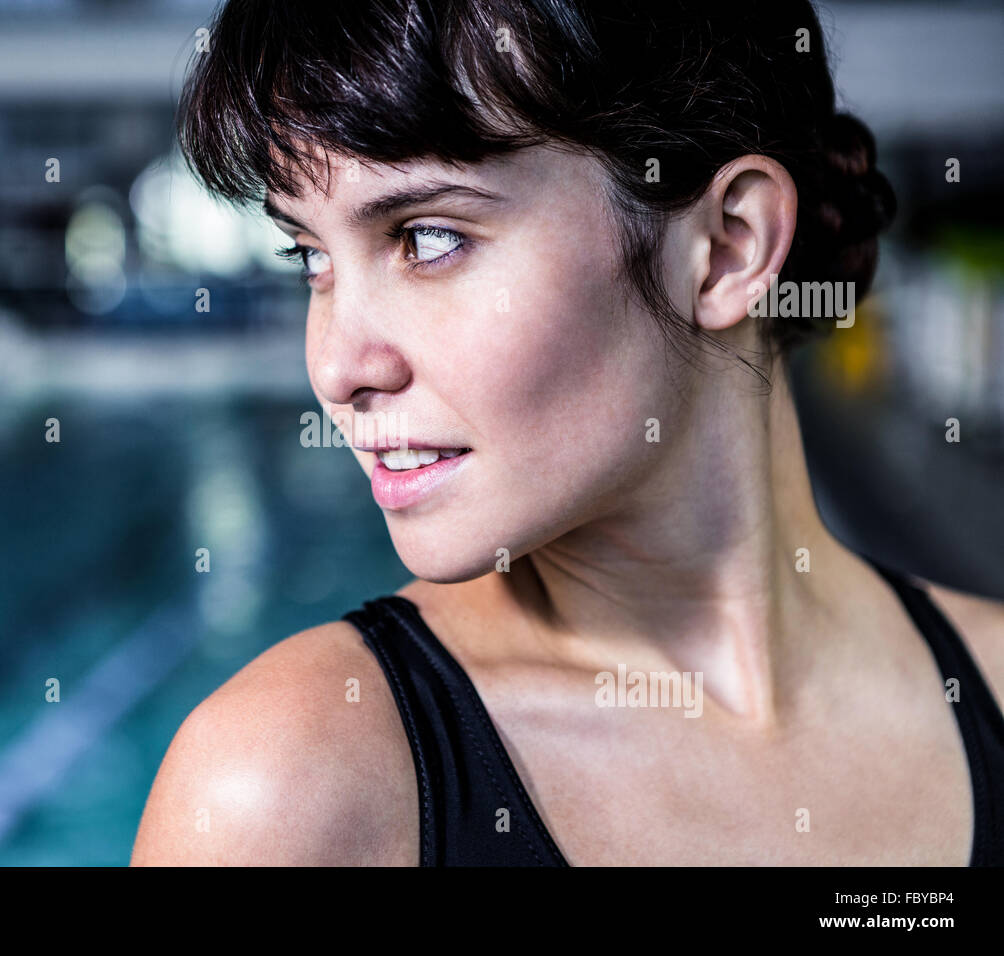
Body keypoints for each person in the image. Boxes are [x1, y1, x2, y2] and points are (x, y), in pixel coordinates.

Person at [131, 0, 1004, 865]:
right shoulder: (286, 790)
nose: (335, 368)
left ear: (728, 246)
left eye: (428, 237)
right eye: (310, 258)